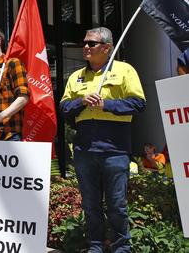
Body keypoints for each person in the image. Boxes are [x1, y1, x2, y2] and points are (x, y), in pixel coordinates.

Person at [60, 27, 146, 252]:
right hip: (84, 150)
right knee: (90, 205)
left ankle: (122, 248)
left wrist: (106, 105)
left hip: (115, 150)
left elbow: (138, 104)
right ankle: (95, 247)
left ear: (107, 48)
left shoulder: (125, 70)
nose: (85, 47)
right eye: (85, 43)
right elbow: (63, 107)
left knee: (117, 205)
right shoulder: (75, 76)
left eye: (91, 44)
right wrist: (81, 102)